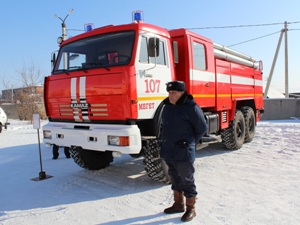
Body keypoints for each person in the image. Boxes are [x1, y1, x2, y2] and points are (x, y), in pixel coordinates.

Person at [160, 80, 208, 222]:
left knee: (187, 180)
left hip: (183, 151)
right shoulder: (167, 106)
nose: (170, 95)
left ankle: (191, 209)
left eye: (173, 93)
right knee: (174, 177)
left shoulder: (191, 107)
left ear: (182, 93)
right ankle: (178, 204)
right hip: (169, 149)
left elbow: (202, 128)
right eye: (169, 92)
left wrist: (189, 142)